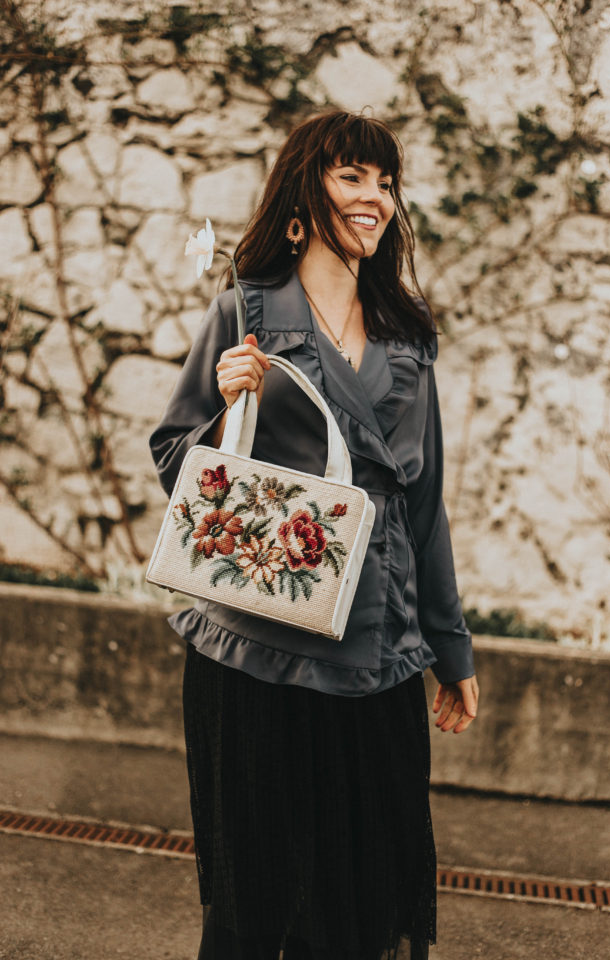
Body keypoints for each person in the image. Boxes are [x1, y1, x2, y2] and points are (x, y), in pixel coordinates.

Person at [150, 110, 479, 960]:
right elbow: (175, 458)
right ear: (305, 195)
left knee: (362, 916)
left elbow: (424, 500)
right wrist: (231, 408)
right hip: (255, 651)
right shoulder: (246, 314)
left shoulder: (408, 338)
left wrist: (450, 646)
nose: (375, 198)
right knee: (252, 911)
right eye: (351, 177)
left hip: (377, 657)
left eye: (384, 181)